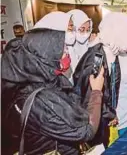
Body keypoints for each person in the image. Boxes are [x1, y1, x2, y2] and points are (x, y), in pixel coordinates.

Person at [1, 11, 104, 155]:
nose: (67, 54)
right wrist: (96, 91)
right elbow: (85, 131)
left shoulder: (29, 80)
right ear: (48, 54)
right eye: (63, 49)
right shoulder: (42, 99)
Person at [73, 12, 127, 147]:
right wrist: (108, 113)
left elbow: (111, 87)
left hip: (102, 115)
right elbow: (89, 96)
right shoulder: (96, 59)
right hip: (92, 119)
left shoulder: (111, 53)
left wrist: (110, 112)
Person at [65, 9, 92, 81]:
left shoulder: (89, 44)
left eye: (88, 30)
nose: (85, 34)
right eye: (82, 30)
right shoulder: (65, 48)